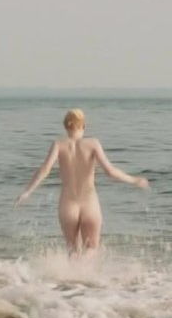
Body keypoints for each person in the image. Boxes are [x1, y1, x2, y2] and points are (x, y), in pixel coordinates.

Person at [14, 109, 150, 255]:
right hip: (89, 203)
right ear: (84, 125)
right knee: (91, 250)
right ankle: (88, 270)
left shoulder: (58, 144)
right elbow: (110, 171)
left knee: (72, 250)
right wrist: (134, 180)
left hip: (68, 205)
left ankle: (71, 271)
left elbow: (45, 170)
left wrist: (27, 192)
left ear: (65, 126)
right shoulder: (93, 144)